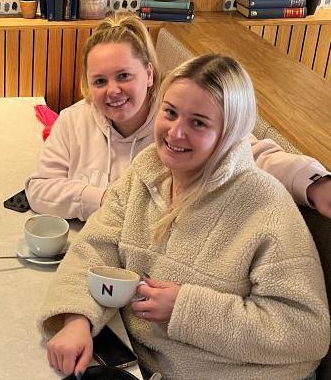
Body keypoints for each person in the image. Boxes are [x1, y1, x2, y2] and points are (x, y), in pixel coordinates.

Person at [39, 54, 330, 379]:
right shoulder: (147, 172)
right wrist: (77, 319)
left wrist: (185, 309)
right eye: (171, 113)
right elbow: (95, 246)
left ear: (229, 132)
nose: (176, 133)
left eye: (198, 123)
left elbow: (306, 333)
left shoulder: (265, 207)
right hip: (143, 362)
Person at [26, 14, 331, 221]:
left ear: (148, 74)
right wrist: (106, 200)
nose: (112, 91)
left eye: (124, 76)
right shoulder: (72, 120)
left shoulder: (174, 121)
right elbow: (39, 190)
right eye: (100, 81)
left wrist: (315, 184)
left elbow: (250, 153)